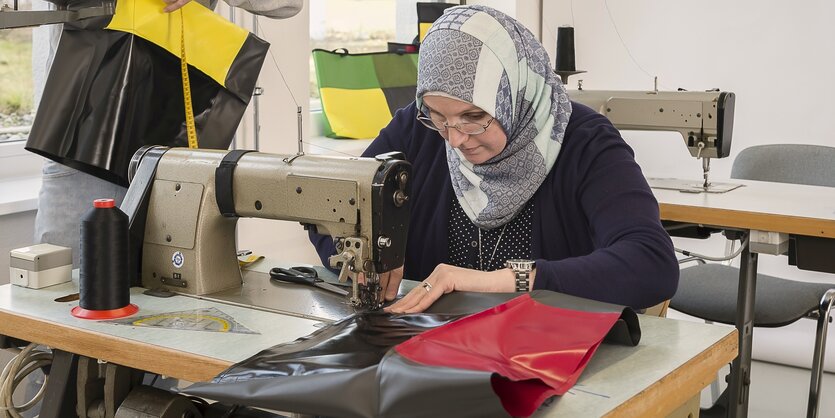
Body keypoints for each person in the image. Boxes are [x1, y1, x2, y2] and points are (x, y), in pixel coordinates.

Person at [310, 5, 679, 313]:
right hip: (432, 351)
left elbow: (651, 264)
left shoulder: (584, 143)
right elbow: (331, 204)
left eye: (473, 118)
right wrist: (360, 258)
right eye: (439, 117)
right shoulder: (415, 130)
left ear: (515, 96)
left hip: (546, 351)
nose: (454, 139)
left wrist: (504, 281)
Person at [33, 0, 302, 267]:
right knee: (66, 290)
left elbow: (289, 4)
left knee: (175, 297)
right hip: (81, 145)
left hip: (177, 156)